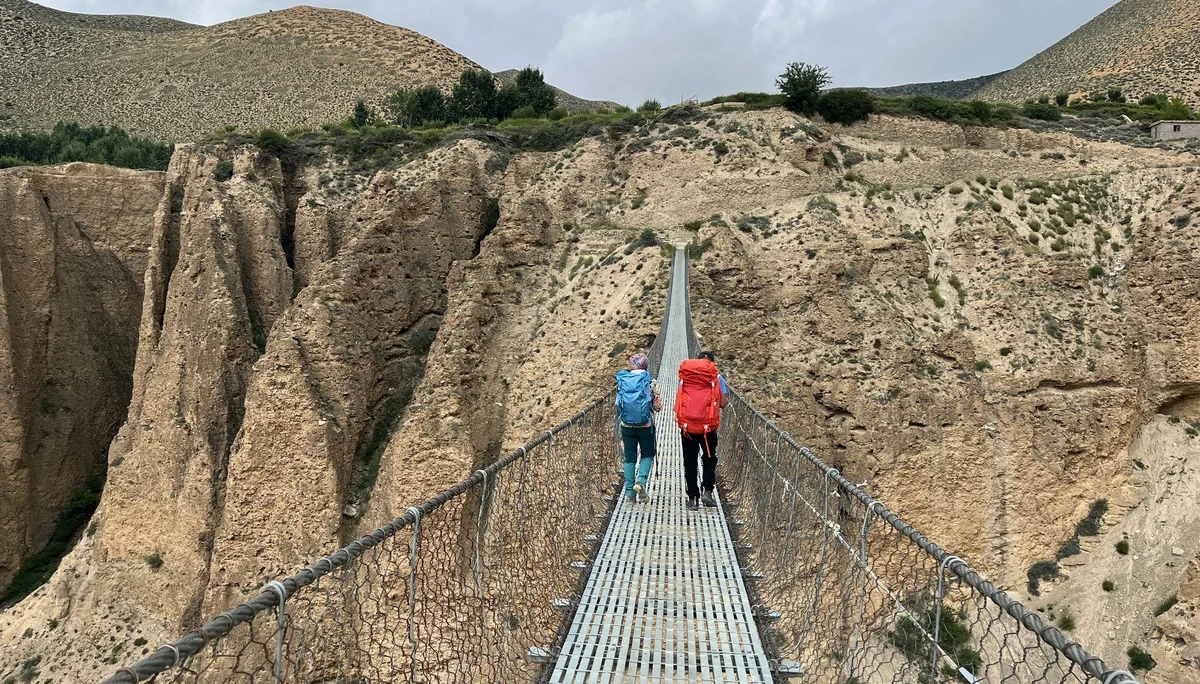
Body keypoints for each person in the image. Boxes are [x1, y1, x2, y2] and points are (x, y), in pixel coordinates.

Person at [675, 350, 727, 510]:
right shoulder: (717, 378)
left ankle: (692, 498)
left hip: (688, 428)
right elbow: (723, 403)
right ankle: (708, 490)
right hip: (708, 429)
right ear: (712, 364)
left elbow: (681, 398)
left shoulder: (686, 376)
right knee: (709, 459)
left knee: (690, 462)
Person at [615, 353, 662, 503]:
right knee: (647, 455)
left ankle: (630, 494)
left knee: (629, 458)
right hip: (645, 425)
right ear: (646, 366)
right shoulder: (651, 382)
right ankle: (640, 481)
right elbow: (657, 406)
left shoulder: (622, 380)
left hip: (626, 425)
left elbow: (618, 403)